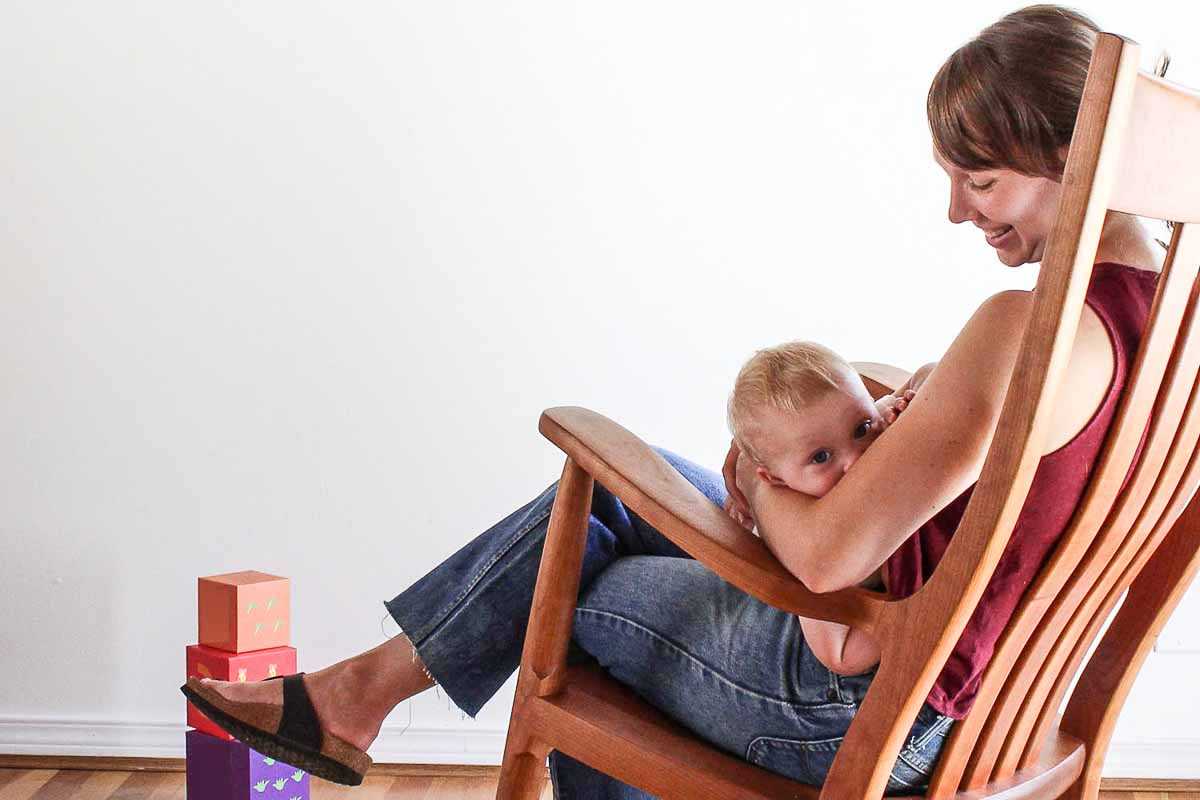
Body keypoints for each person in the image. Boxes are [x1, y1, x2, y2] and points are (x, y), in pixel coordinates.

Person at [181, 4, 1167, 797]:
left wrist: (757, 476)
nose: (957, 212)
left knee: (568, 583)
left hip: (868, 713)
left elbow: (827, 557)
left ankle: (350, 698)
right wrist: (918, 394)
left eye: (980, 180)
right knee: (615, 501)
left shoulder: (1022, 328)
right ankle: (352, 696)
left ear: (1070, 156)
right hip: (997, 707)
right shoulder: (1159, 336)